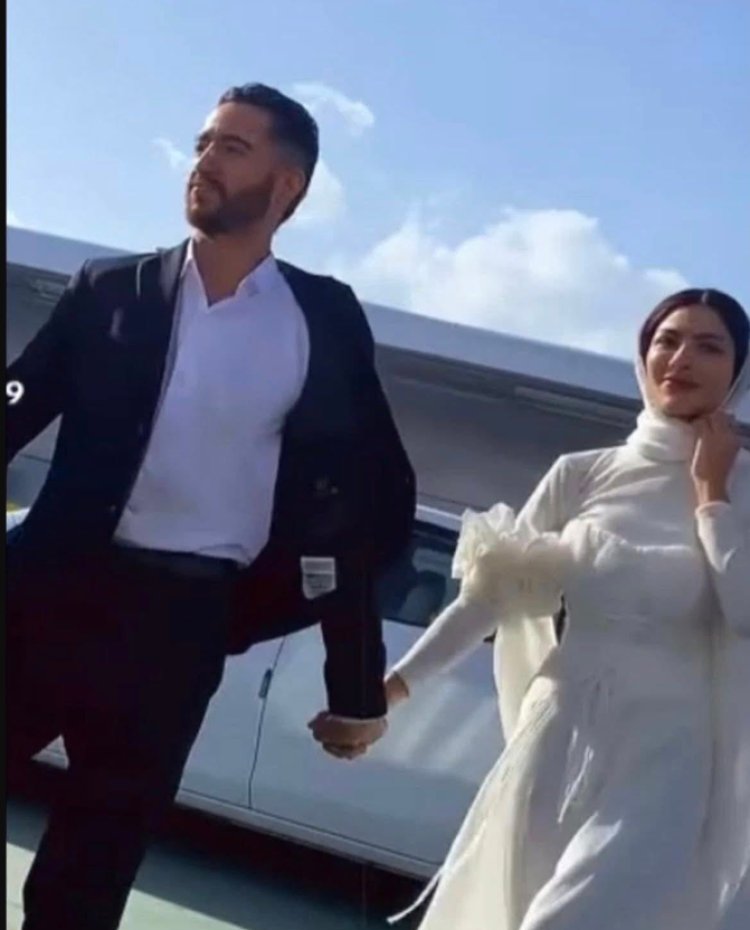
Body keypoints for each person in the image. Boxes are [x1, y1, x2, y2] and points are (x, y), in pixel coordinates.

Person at [6, 83, 415, 930]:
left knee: (89, 875)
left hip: (177, 628)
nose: (203, 162)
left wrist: (355, 684)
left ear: (287, 184)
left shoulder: (322, 320)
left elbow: (359, 504)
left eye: (232, 148)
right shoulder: (109, 288)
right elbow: (12, 407)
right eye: (201, 143)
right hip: (40, 597)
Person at [372, 288, 750, 929]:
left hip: (671, 754)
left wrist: (712, 491)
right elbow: (489, 598)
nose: (681, 358)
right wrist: (389, 692)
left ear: (738, 372)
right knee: (514, 911)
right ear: (643, 355)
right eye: (667, 340)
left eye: (708, 346)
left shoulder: (742, 484)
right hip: (557, 730)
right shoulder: (581, 473)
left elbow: (743, 610)